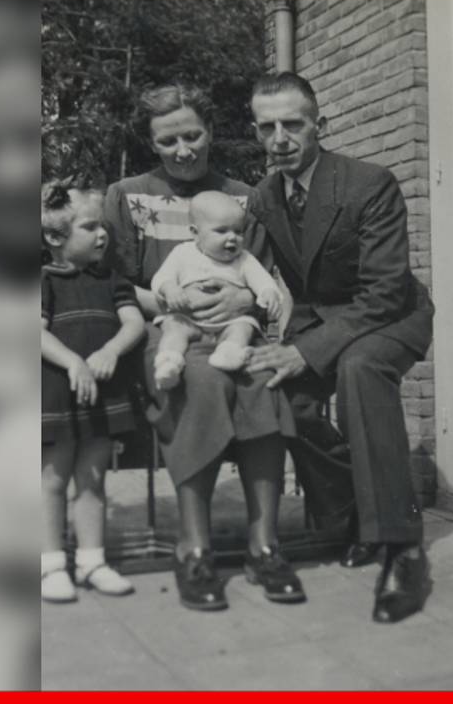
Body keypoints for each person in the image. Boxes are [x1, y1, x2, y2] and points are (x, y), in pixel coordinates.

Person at [245, 72, 435, 624]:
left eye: (292, 124)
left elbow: (383, 291)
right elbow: (251, 276)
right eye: (267, 127)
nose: (280, 138)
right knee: (283, 397)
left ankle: (402, 548)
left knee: (358, 368)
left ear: (319, 125)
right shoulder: (263, 197)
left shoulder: (369, 182)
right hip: (321, 320)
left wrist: (306, 351)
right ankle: (355, 516)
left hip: (393, 314)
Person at [105, 84, 302, 611]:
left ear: (211, 131)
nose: (184, 149)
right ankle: (194, 547)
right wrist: (176, 303)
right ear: (152, 143)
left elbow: (262, 279)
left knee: (262, 378)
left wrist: (241, 300)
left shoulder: (246, 197)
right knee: (203, 382)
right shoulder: (128, 195)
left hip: (237, 330)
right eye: (168, 140)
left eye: (193, 135)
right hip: (165, 332)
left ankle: (266, 545)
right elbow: (115, 283)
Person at [39, 184, 144, 602]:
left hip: (102, 391)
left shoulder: (111, 279)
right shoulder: (45, 279)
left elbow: (134, 323)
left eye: (102, 226)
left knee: (93, 477)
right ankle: (50, 566)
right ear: (55, 237)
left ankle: (92, 561)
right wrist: (73, 362)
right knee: (52, 478)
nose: (102, 234)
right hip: (57, 390)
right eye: (89, 226)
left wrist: (110, 350)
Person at [149, 191, 283, 390]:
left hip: (230, 321)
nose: (232, 238)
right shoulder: (182, 253)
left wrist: (268, 293)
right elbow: (161, 278)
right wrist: (170, 290)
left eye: (238, 231)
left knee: (244, 327)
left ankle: (229, 352)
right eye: (221, 231)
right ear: (195, 233)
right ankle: (169, 362)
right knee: (173, 327)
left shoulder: (244, 259)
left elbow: (263, 280)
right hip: (189, 317)